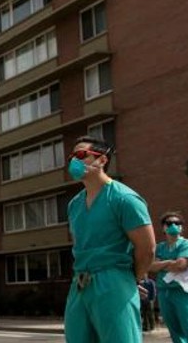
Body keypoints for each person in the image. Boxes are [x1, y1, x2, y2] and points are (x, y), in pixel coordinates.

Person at [63, 136, 155, 343]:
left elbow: (147, 248)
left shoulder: (125, 199)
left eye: (80, 155)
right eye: (71, 157)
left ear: (102, 160)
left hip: (113, 280)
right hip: (80, 282)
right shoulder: (74, 205)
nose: (74, 162)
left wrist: (131, 279)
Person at [150, 212, 188, 343]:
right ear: (163, 227)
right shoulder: (159, 247)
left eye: (177, 223)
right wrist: (170, 263)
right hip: (164, 292)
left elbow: (181, 265)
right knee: (174, 330)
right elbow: (150, 266)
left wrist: (162, 263)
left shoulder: (187, 244)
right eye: (169, 223)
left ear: (181, 227)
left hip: (184, 292)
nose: (173, 225)